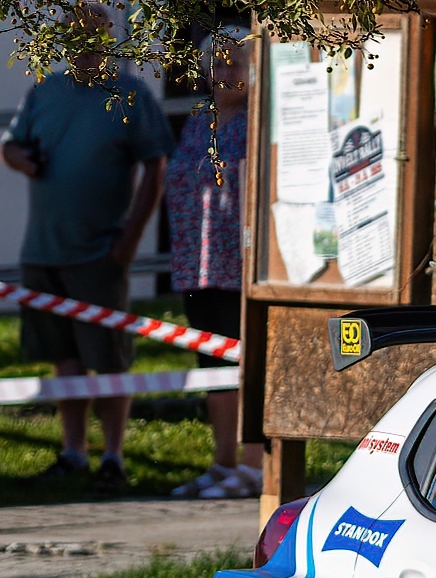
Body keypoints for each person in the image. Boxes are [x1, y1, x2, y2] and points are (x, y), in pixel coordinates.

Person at [0, 3, 169, 492]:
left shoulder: (130, 95)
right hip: (43, 250)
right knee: (65, 359)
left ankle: (113, 456)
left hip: (100, 253)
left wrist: (129, 241)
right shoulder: (44, 90)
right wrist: (19, 158)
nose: (85, 48)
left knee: (109, 360)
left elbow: (156, 165)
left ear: (109, 41)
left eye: (94, 37)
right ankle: (73, 451)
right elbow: (9, 145)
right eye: (75, 38)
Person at [165, 27, 256, 498]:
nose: (223, 71)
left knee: (247, 362)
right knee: (212, 365)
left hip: (240, 265)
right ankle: (222, 462)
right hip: (196, 263)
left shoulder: (258, 123)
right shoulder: (200, 120)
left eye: (233, 62)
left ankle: (254, 465)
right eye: (217, 63)